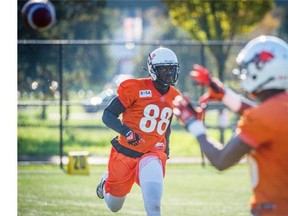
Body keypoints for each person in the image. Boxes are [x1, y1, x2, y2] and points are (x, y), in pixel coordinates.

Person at [173, 35, 288, 216]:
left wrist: (193, 124)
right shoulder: (279, 108)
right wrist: (225, 95)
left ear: (261, 69)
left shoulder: (265, 117)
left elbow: (221, 160)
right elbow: (264, 117)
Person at [96, 47, 181, 216]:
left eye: (172, 68)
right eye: (164, 69)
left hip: (152, 153)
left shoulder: (175, 95)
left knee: (154, 206)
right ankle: (106, 182)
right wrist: (126, 132)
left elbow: (167, 126)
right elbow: (108, 115)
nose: (169, 73)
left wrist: (166, 150)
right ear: (153, 69)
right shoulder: (135, 88)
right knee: (114, 205)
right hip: (125, 153)